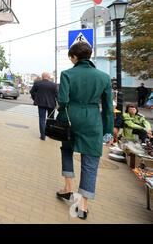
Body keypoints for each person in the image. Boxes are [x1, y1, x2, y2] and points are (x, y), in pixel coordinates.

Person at [55, 42, 113, 220]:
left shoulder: (67, 74)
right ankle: (83, 206)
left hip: (71, 120)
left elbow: (63, 101)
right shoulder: (104, 77)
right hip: (93, 121)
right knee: (90, 161)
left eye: (71, 58)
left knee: (66, 150)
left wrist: (62, 113)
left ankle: (68, 188)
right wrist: (108, 131)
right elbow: (109, 107)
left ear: (74, 57)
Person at [30, 72, 58, 140]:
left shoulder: (37, 83)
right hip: (51, 104)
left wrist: (35, 98)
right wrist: (58, 103)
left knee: (42, 119)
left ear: (42, 77)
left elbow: (32, 92)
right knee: (51, 119)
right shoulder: (53, 85)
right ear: (48, 77)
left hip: (41, 104)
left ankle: (43, 136)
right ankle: (51, 135)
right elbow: (57, 95)